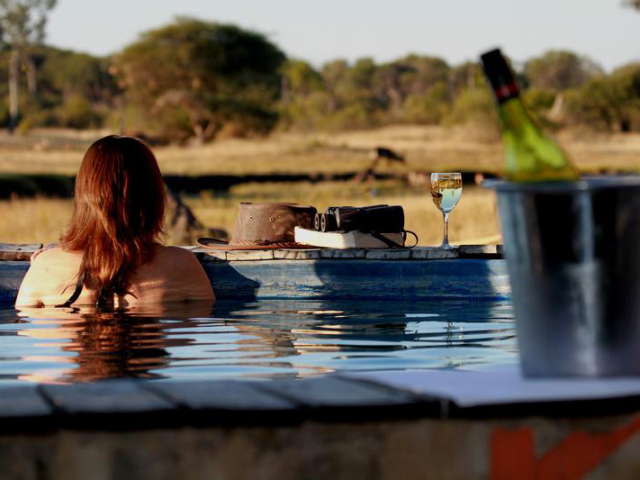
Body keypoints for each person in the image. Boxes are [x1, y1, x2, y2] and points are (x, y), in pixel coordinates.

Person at [15, 135, 214, 308]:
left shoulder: (45, 269)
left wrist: (44, 263)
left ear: (84, 196)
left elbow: (29, 334)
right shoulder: (182, 265)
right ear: (153, 199)